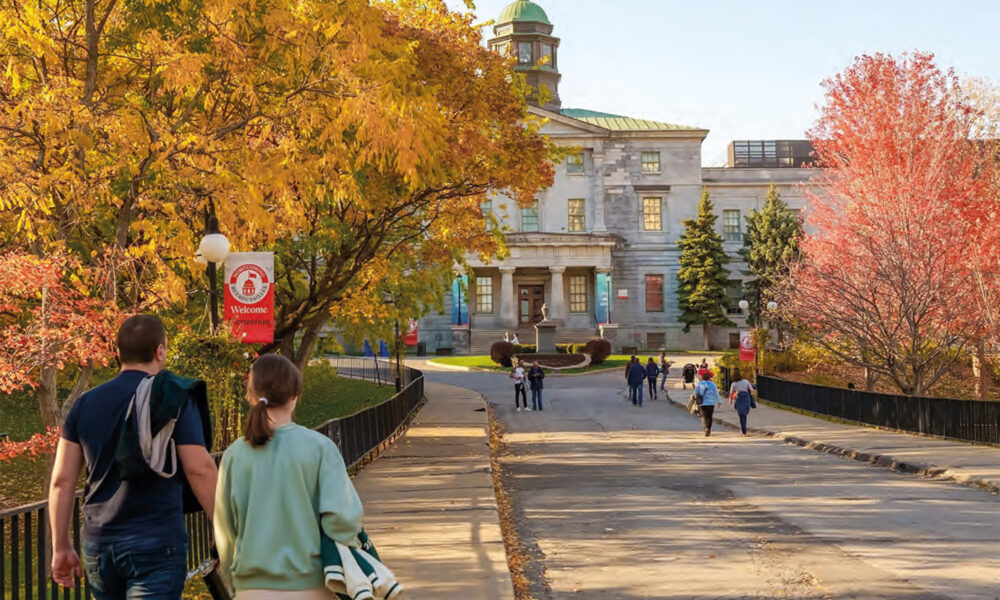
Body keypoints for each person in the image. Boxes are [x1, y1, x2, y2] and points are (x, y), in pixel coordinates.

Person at [48, 315, 218, 599]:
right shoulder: (172, 398)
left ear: (118, 353)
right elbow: (199, 468)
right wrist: (226, 531)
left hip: (99, 544)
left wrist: (61, 546)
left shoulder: (85, 403)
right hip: (157, 541)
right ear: (160, 351)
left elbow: (62, 481)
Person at [214, 354, 364, 598]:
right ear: (294, 396)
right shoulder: (320, 448)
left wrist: (233, 582)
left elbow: (225, 531)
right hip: (312, 585)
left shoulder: (234, 455)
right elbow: (343, 519)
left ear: (251, 396)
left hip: (251, 588)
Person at [729, 368, 757, 437]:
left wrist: (730, 400)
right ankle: (743, 430)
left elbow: (731, 393)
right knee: (744, 414)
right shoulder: (745, 381)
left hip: (739, 399)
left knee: (741, 415)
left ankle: (743, 430)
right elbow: (751, 390)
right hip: (746, 398)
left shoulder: (734, 384)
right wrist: (752, 393)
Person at [694, 370, 722, 437]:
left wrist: (696, 398)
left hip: (702, 403)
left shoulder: (700, 384)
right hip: (711, 403)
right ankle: (708, 428)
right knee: (710, 417)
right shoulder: (713, 384)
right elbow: (716, 393)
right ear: (709, 377)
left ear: (702, 378)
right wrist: (719, 401)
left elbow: (695, 393)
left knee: (704, 416)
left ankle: (705, 428)